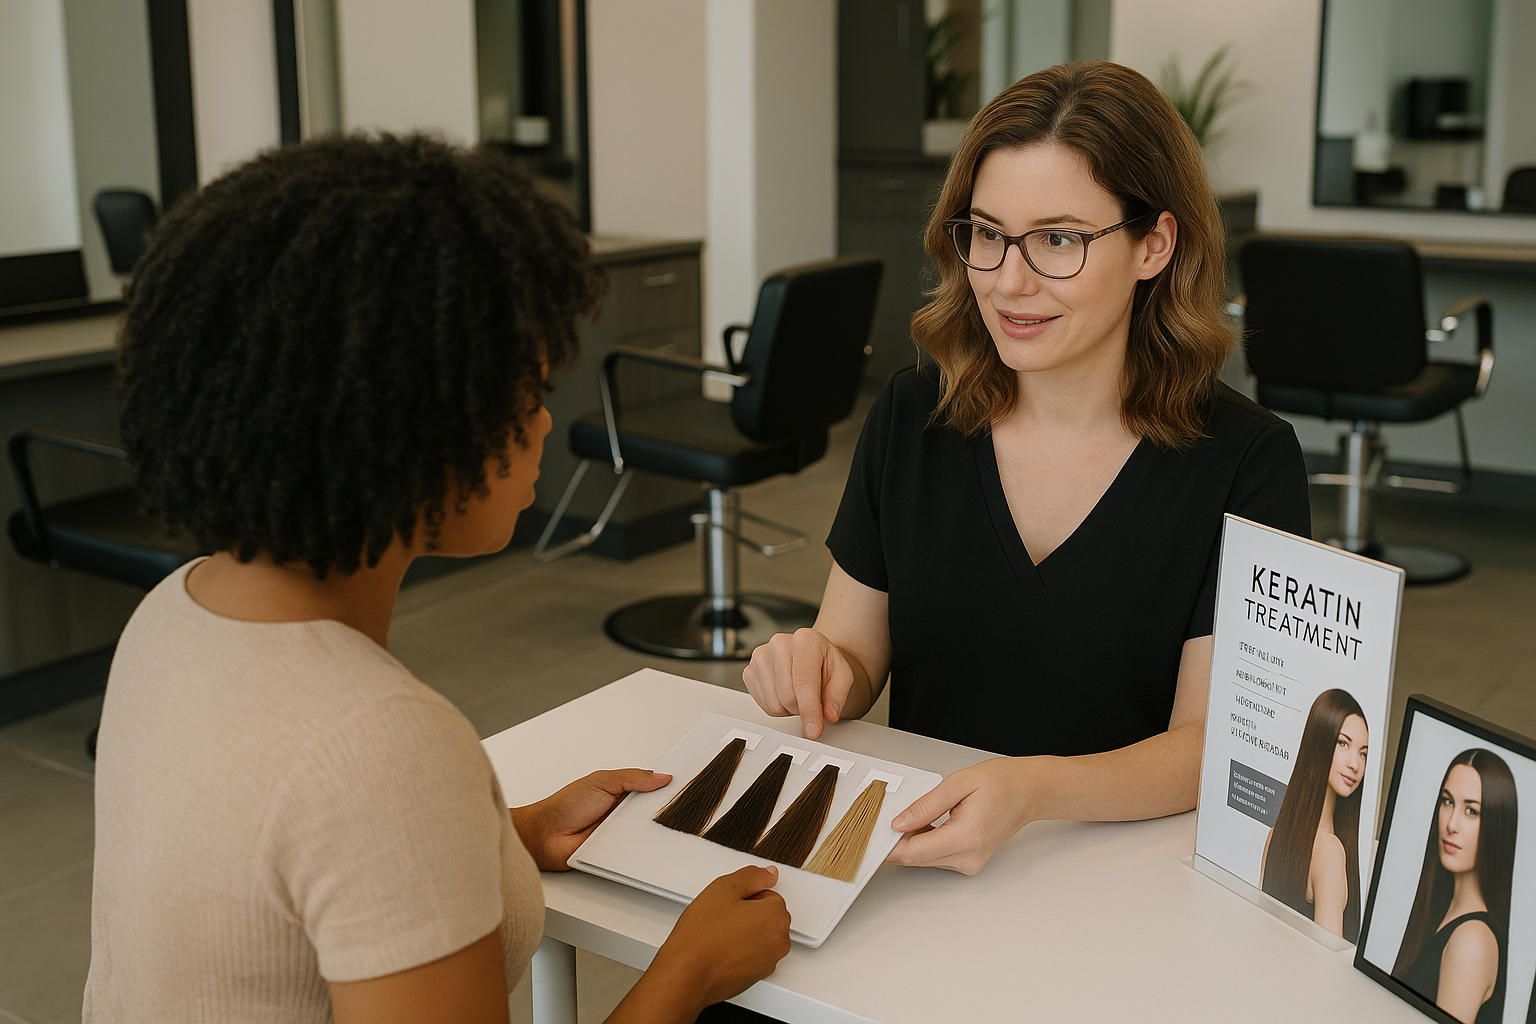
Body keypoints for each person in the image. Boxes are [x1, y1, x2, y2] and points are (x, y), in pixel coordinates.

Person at [86, 134, 790, 1023]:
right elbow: (353, 801)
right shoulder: (381, 746)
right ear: (406, 428)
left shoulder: (174, 613)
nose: (541, 424)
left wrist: (512, 835)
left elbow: (294, 868)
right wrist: (689, 973)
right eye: (519, 394)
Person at [743, 60, 1310, 875]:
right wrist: (813, 667)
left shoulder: (1247, 462)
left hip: (1113, 880)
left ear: (1155, 243)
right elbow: (854, 657)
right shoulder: (913, 414)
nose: (1009, 282)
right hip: (918, 864)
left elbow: (1206, 743)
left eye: (1057, 240)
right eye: (987, 233)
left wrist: (1032, 792)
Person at [1393, 749, 1518, 1024]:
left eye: (1471, 811)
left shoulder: (1471, 942)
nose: (1451, 824)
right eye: (1448, 802)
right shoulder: (1440, 912)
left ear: (1497, 825)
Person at [1259, 689, 1369, 940]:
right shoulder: (1329, 851)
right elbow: (1325, 968)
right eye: (1343, 743)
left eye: (1363, 753)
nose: (1355, 764)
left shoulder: (1273, 837)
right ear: (1320, 743)